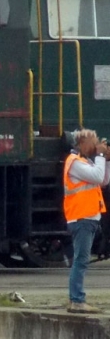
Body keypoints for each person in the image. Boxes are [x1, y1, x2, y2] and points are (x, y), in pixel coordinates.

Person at [63, 128, 110, 314]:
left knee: (82, 259)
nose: (97, 144)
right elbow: (97, 176)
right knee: (81, 260)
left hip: (89, 217)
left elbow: (104, 180)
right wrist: (99, 155)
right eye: (94, 141)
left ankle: (77, 298)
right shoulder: (74, 163)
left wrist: (106, 160)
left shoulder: (85, 162)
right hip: (81, 217)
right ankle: (76, 300)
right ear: (82, 143)